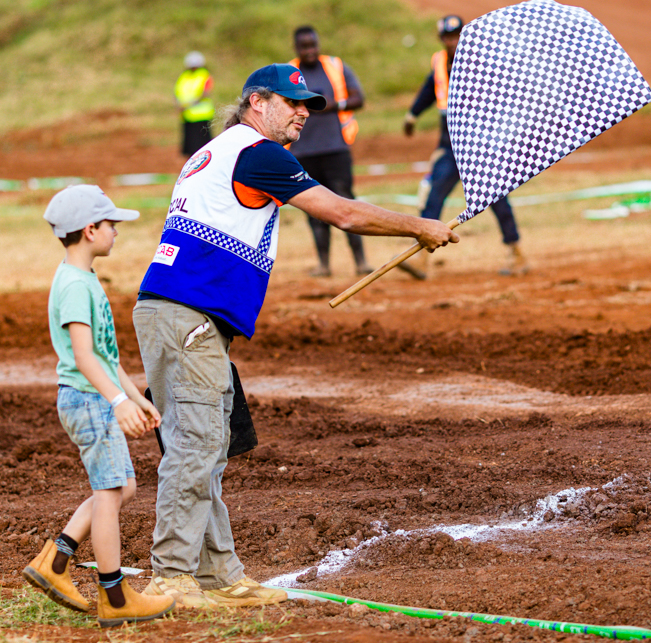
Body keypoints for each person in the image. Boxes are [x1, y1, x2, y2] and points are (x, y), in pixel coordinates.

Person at [134, 64, 458, 609]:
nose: (304, 112)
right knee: (196, 447)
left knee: (208, 448)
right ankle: (170, 579)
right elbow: (344, 214)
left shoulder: (223, 149)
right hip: (186, 316)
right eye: (293, 102)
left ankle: (218, 575)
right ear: (257, 102)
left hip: (188, 317)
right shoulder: (258, 153)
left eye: (308, 104)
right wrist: (419, 225)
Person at [23, 185, 175, 629]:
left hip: (96, 397)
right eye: (111, 225)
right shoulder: (74, 285)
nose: (116, 232)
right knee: (109, 493)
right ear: (90, 230)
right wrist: (115, 401)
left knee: (121, 488)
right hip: (88, 400)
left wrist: (133, 397)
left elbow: (107, 357)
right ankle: (114, 596)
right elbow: (85, 357)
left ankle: (55, 562)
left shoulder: (83, 279)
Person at [402, 14, 529, 279]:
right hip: (449, 146)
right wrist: (413, 114)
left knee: (496, 198)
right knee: (434, 197)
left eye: (456, 35)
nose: (452, 41)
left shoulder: (483, 60)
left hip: (480, 146)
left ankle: (516, 252)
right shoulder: (439, 61)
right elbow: (430, 88)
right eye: (448, 37)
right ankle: (421, 260)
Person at [286, 26, 371, 277]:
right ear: (296, 48)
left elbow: (359, 97)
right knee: (314, 209)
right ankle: (324, 265)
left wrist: (336, 105)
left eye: (313, 44)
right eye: (304, 46)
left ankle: (361, 262)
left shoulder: (335, 66)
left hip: (336, 148)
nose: (310, 50)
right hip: (302, 151)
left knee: (346, 201)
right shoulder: (289, 73)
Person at [175, 51, 215, 156]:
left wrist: (189, 104)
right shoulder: (184, 76)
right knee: (190, 147)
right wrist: (178, 105)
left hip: (201, 115)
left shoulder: (204, 75)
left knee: (202, 146)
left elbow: (205, 93)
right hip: (187, 115)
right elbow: (178, 92)